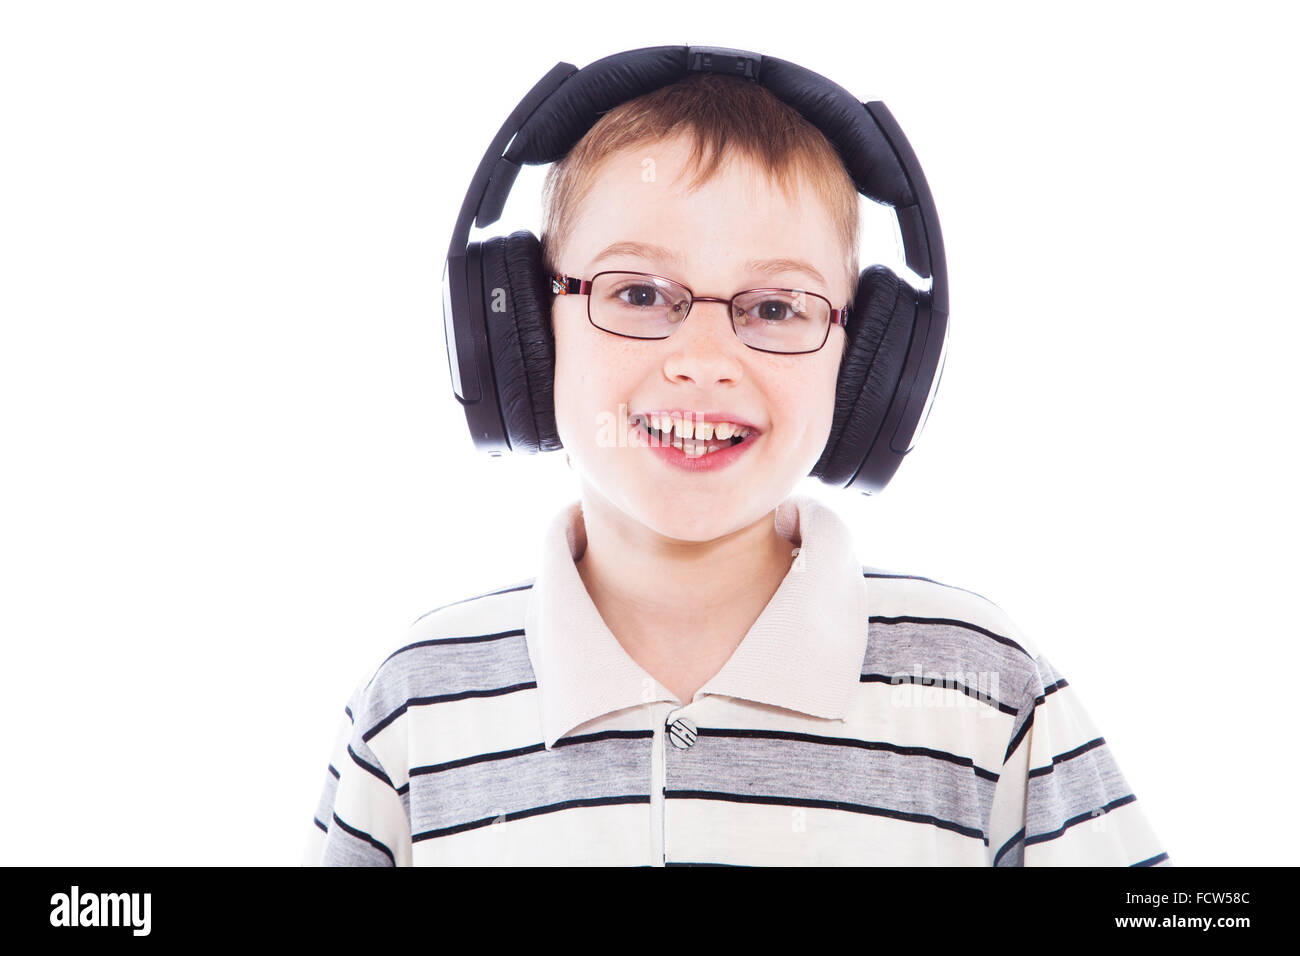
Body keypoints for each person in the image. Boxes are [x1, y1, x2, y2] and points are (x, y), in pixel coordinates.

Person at [302, 69, 1170, 866]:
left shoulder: (983, 688)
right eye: (637, 293)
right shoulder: (414, 707)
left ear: (868, 361)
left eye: (775, 306)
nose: (704, 359)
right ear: (525, 328)